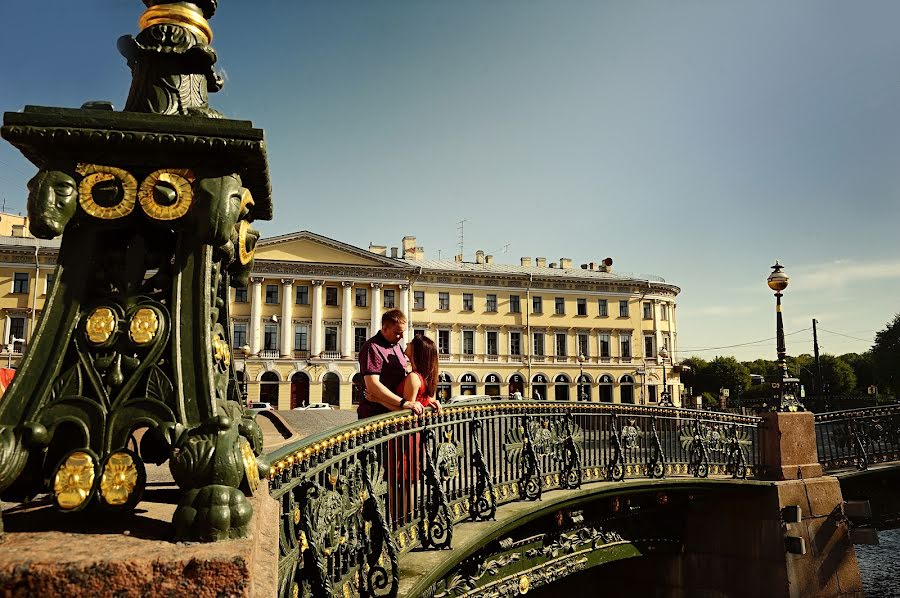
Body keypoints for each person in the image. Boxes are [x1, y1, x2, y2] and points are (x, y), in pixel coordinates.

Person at [357, 309, 423, 419]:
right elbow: (373, 385)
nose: (401, 337)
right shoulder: (372, 348)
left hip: (394, 414)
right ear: (384, 328)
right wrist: (403, 403)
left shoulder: (396, 346)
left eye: (403, 332)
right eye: (398, 333)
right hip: (375, 416)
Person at [398, 335, 443, 415]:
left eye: (411, 343)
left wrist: (379, 399)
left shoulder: (414, 377)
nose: (407, 344)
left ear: (416, 350)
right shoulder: (426, 377)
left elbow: (406, 412)